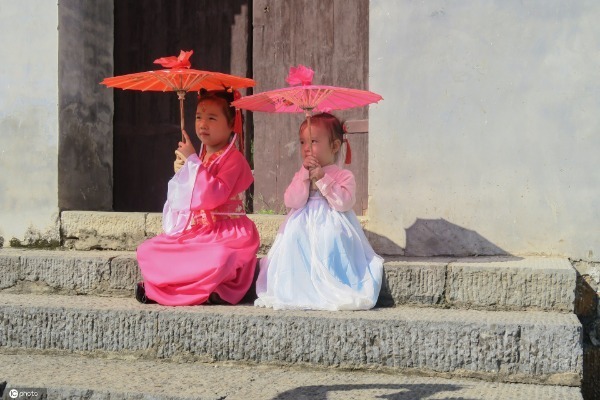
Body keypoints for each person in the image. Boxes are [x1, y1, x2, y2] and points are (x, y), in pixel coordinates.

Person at [135, 89, 259, 306]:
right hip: (200, 231)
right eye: (199, 117)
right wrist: (182, 172)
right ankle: (161, 289)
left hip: (228, 233)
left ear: (232, 124)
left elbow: (213, 196)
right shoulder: (200, 156)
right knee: (148, 249)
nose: (203, 124)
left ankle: (207, 289)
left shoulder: (235, 159)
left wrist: (192, 162)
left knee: (220, 257)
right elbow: (183, 201)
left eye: (212, 118)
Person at [255, 113, 383, 311]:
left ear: (334, 146)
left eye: (314, 141)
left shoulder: (343, 175)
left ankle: (332, 280)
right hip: (303, 219)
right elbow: (292, 200)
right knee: (293, 237)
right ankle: (298, 285)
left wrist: (323, 179)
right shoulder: (302, 173)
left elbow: (344, 203)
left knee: (331, 238)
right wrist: (304, 178)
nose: (306, 148)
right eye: (302, 142)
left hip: (332, 219)